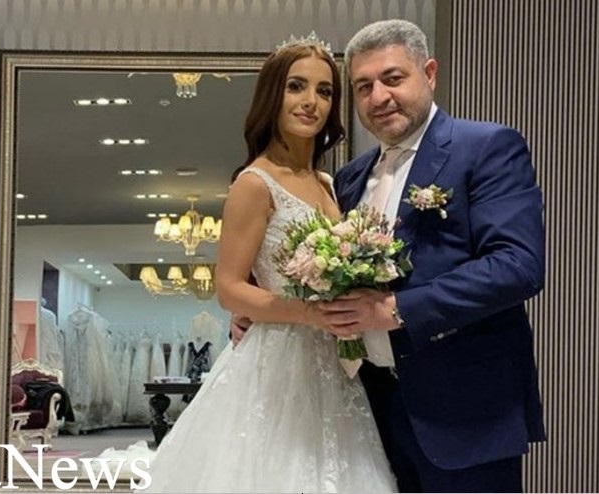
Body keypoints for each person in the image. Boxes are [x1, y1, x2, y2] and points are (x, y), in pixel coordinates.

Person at [143, 38, 397, 493]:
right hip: (277, 361)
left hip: (332, 361)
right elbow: (229, 288)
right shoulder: (254, 182)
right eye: (296, 86)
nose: (311, 101)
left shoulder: (327, 182)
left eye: (324, 91)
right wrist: (308, 312)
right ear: (272, 96)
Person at [316, 19, 547, 492]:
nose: (379, 97)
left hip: (465, 412)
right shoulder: (350, 178)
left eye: (393, 78)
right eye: (364, 86)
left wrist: (397, 309)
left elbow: (517, 265)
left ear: (430, 74)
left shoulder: (486, 146)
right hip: (370, 412)